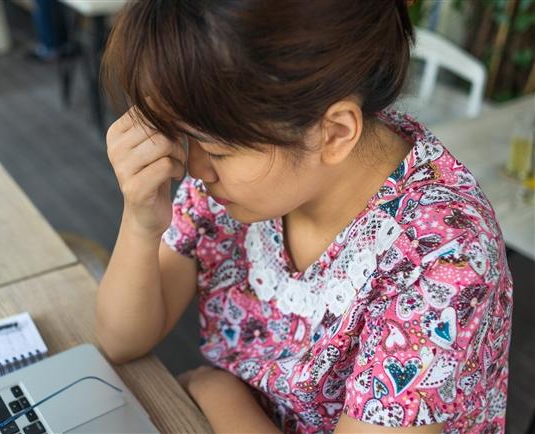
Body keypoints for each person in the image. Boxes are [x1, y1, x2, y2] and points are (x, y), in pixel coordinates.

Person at [96, 1, 513, 433]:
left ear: (334, 133)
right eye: (186, 139)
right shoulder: (238, 179)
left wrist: (215, 389)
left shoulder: (445, 256)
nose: (195, 168)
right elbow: (120, 340)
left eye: (217, 150)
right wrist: (142, 222)